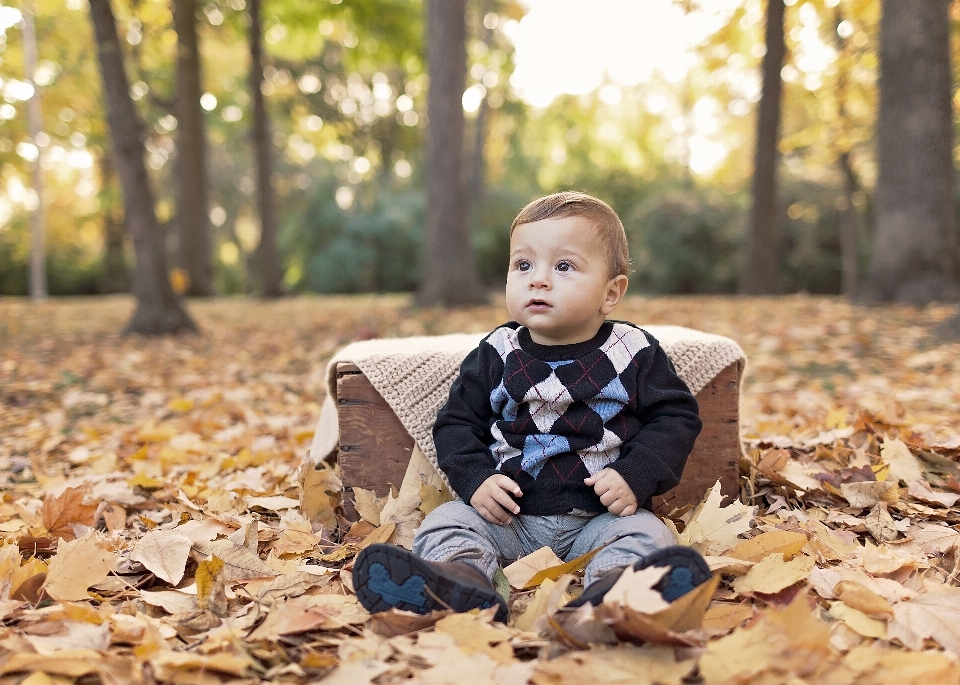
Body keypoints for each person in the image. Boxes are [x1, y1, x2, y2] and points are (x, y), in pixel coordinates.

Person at [353, 191, 710, 622]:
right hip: (510, 519)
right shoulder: (497, 351)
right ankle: (462, 580)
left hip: (599, 518)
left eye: (564, 266)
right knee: (447, 520)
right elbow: (456, 422)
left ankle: (615, 590)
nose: (538, 279)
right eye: (523, 265)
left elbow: (676, 417)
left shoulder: (631, 351)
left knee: (646, 533)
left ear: (611, 293)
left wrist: (635, 475)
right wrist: (477, 479)